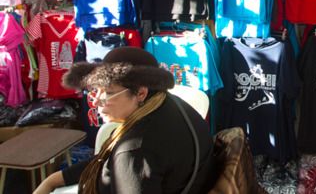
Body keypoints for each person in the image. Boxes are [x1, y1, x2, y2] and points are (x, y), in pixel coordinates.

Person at [34, 47, 216, 194]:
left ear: (141, 93)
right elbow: (104, 161)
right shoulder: (170, 103)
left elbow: (128, 162)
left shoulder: (135, 151)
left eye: (109, 93)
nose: (96, 101)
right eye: (96, 90)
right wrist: (53, 180)